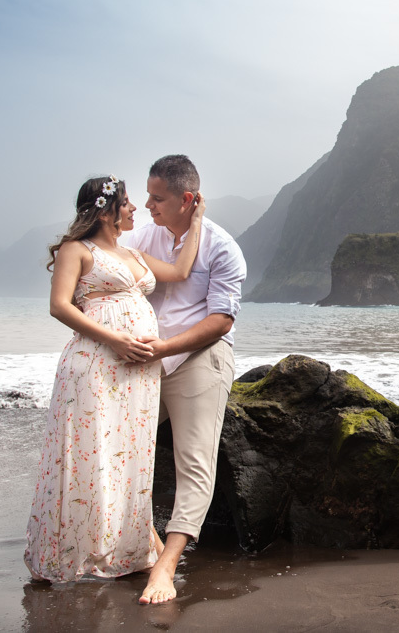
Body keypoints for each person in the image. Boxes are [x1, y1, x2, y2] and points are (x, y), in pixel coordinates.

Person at [24, 174, 205, 582]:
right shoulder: (77, 249)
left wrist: (195, 223)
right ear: (106, 210)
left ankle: (124, 548)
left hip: (139, 372)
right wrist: (115, 340)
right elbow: (59, 306)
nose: (135, 209)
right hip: (95, 363)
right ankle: (67, 555)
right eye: (127, 203)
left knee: (130, 456)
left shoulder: (135, 256)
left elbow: (179, 270)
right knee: (90, 453)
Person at [125, 155, 246, 605]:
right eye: (148, 195)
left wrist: (165, 349)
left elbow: (221, 321)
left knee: (194, 462)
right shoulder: (141, 236)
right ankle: (149, 542)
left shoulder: (222, 247)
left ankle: (166, 566)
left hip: (200, 354)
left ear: (188, 199)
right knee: (117, 447)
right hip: (148, 358)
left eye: (157, 198)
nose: (148, 204)